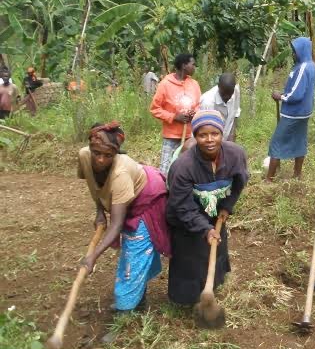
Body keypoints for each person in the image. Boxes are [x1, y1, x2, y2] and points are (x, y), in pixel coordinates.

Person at [78, 122, 171, 312]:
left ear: (117, 154)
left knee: (134, 254)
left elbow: (117, 224)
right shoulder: (84, 156)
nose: (101, 160)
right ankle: (138, 298)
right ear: (90, 148)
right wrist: (99, 211)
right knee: (134, 254)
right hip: (126, 196)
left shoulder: (120, 173)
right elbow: (94, 184)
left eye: (108, 156)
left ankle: (125, 311)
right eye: (97, 153)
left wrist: (93, 256)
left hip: (147, 199)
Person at [166, 109, 249, 305]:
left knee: (217, 248)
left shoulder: (236, 155)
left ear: (222, 134)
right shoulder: (183, 167)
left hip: (215, 209)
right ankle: (186, 300)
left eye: (215, 134)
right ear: (195, 136)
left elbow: (239, 182)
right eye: (203, 135)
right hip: (185, 217)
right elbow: (182, 206)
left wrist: (227, 206)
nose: (209, 139)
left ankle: (213, 286)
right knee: (190, 256)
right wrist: (204, 229)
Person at [266, 37, 315, 181]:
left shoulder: (302, 68)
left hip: (294, 113)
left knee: (276, 143)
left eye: (295, 51)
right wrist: (284, 95)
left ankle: (269, 179)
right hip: (304, 112)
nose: (293, 54)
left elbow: (297, 94)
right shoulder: (311, 65)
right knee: (300, 141)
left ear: (302, 51)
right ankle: (297, 174)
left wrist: (280, 97)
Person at [150, 53, 201, 174]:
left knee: (190, 167)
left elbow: (199, 105)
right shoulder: (165, 84)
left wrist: (194, 114)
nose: (194, 67)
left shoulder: (194, 84)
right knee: (166, 169)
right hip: (171, 136)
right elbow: (155, 109)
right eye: (192, 64)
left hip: (190, 135)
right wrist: (174, 117)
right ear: (184, 65)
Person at [200, 73, 241, 141]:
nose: (227, 97)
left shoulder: (236, 91)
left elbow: (235, 113)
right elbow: (205, 129)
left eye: (230, 93)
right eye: (224, 93)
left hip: (226, 136)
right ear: (218, 86)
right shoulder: (207, 102)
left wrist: (232, 134)